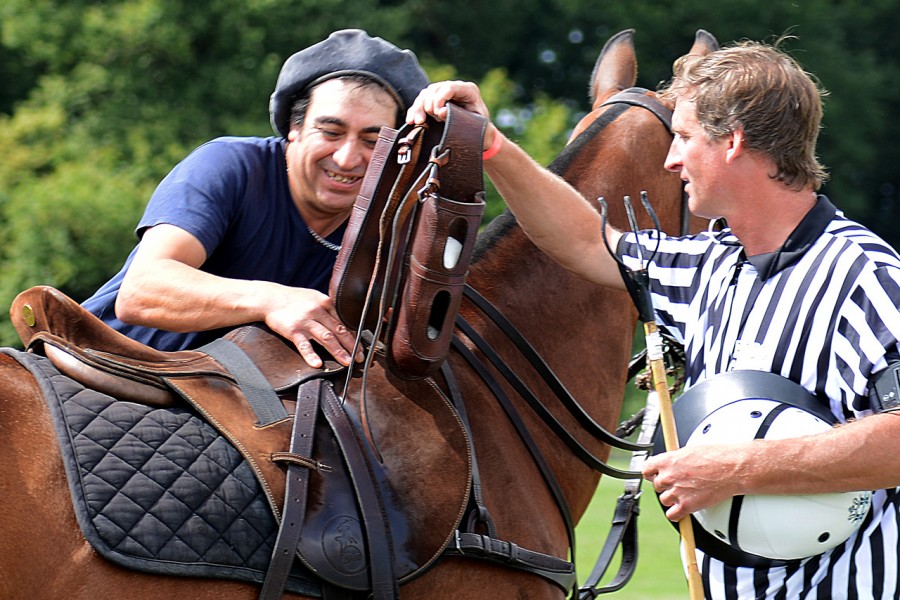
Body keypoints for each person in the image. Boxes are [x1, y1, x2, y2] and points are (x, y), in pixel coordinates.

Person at [408, 41, 900, 598]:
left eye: (684, 137)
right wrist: (493, 145)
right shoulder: (710, 264)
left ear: (734, 141)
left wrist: (732, 469)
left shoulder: (865, 275)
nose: (671, 160)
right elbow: (583, 239)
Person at [82, 29, 429, 368]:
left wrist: (465, 125)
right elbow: (141, 291)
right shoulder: (230, 166)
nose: (347, 159)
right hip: (99, 370)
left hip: (241, 399)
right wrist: (272, 300)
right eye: (330, 132)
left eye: (373, 141)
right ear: (294, 127)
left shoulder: (396, 218)